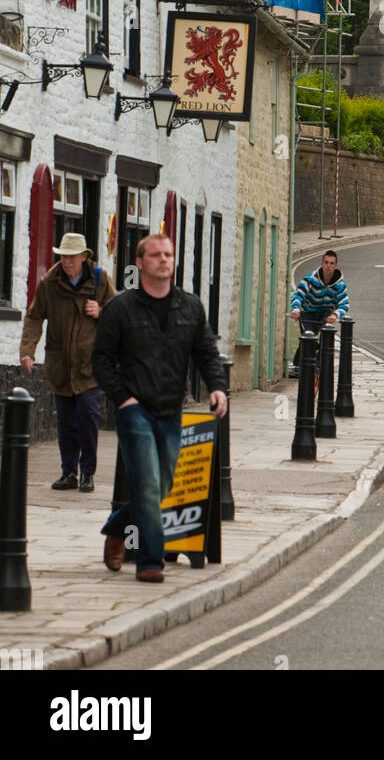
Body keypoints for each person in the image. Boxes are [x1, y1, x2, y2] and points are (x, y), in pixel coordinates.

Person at [92, 234, 227, 584]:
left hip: (170, 409)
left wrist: (217, 387)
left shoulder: (191, 307)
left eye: (168, 254)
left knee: (161, 487)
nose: (164, 260)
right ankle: (150, 562)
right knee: (149, 486)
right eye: (155, 255)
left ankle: (117, 527)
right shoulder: (120, 309)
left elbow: (206, 353)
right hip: (134, 408)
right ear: (140, 262)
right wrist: (123, 398)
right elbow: (101, 360)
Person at [19, 232, 116, 493]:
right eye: (63, 256)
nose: (67, 261)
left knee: (87, 417)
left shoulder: (99, 280)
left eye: (72, 256)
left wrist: (101, 312)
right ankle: (68, 472)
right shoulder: (50, 282)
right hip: (60, 364)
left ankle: (87, 473)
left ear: (84, 256)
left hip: (89, 365)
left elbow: (120, 314)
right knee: (66, 422)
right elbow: (34, 317)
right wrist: (27, 350)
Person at [288, 249, 349, 377]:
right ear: (322, 264)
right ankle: (298, 365)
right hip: (308, 311)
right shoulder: (311, 279)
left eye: (332, 263)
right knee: (308, 336)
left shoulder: (340, 284)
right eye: (326, 262)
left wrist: (335, 315)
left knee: (326, 336)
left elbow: (344, 304)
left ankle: (321, 365)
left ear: (336, 266)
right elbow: (298, 295)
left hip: (325, 312)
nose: (328, 266)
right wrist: (295, 309)